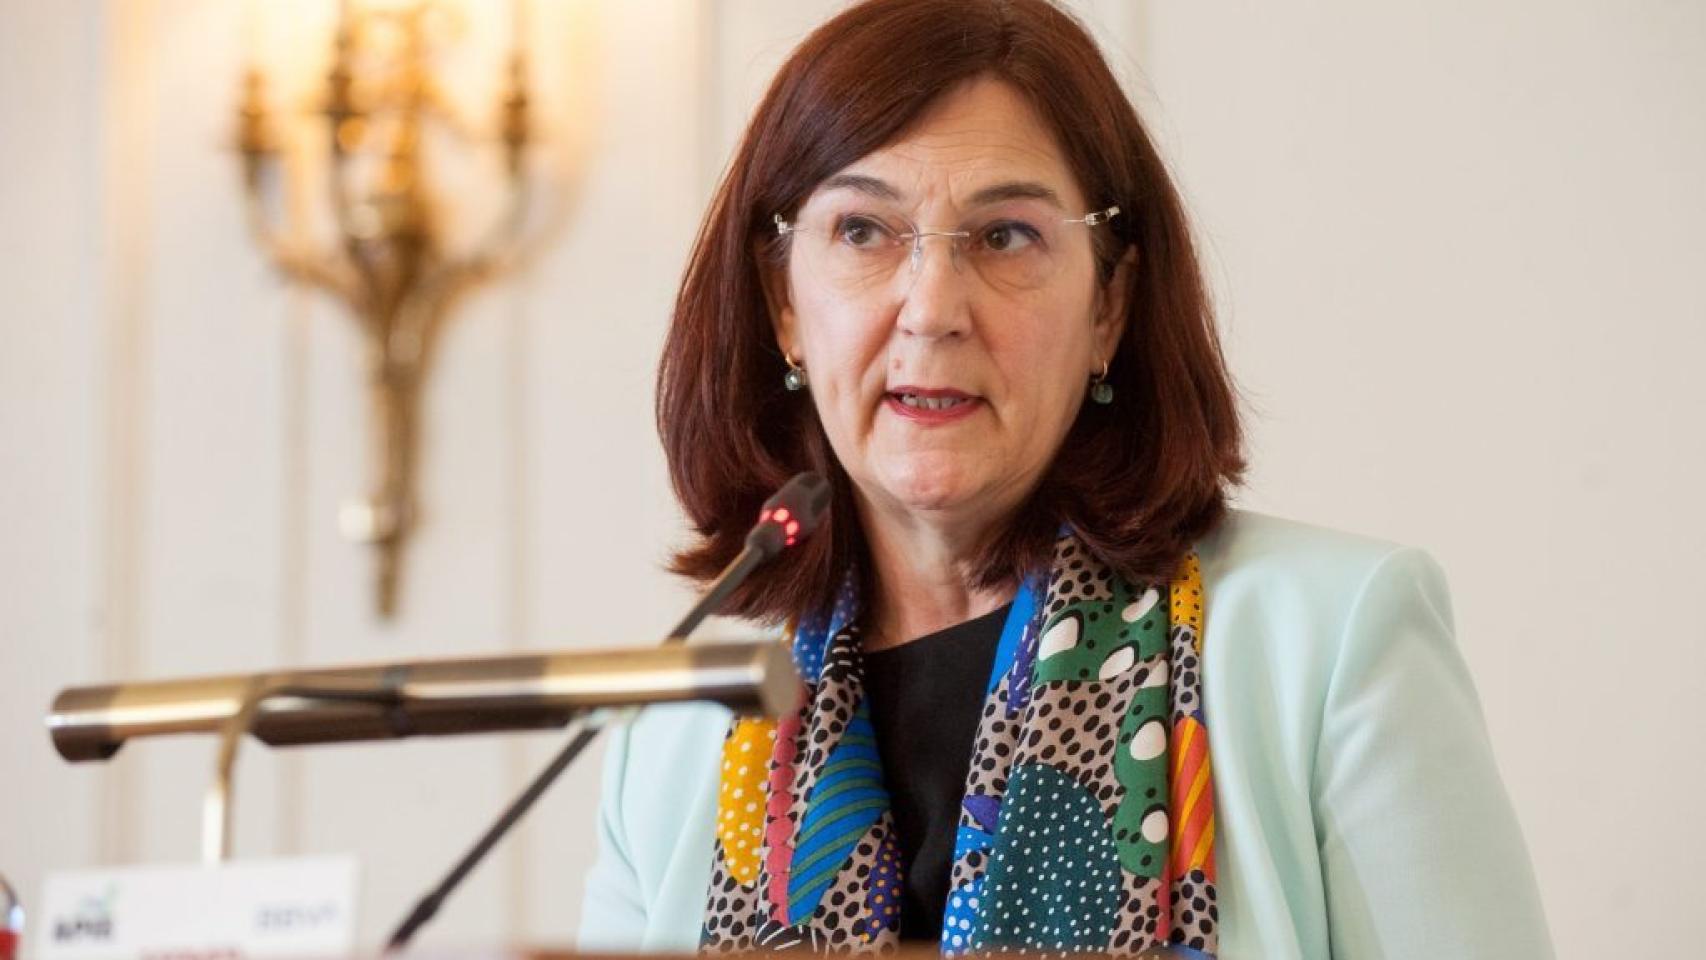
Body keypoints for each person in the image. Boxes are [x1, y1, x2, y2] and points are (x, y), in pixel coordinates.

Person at [578, 0, 1552, 956]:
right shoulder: (673, 732)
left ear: (1108, 308)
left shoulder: (1333, 645)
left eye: (1004, 236)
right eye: (863, 233)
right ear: (781, 305)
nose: (930, 309)